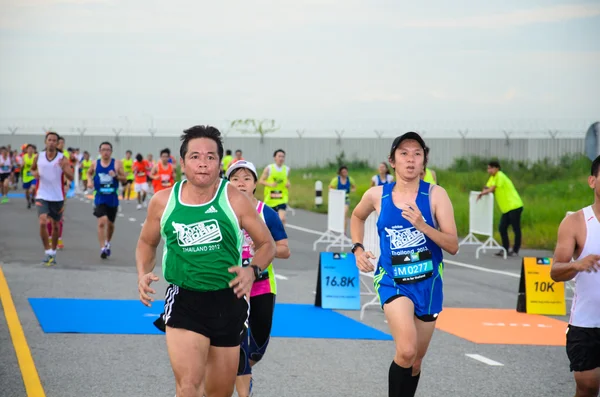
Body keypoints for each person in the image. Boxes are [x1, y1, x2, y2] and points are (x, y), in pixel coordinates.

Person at [136, 125, 276, 397]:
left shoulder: (234, 199)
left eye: (210, 157)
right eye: (195, 156)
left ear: (219, 163)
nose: (202, 163)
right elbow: (146, 242)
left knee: (218, 393)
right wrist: (143, 272)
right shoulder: (163, 201)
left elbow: (267, 244)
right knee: (189, 387)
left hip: (228, 299)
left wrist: (252, 270)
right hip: (185, 299)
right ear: (183, 162)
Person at [350, 132, 458, 397]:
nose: (411, 160)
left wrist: (423, 225)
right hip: (393, 280)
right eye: (404, 154)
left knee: (415, 361)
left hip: (428, 283)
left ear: (424, 162)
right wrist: (358, 248)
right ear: (392, 161)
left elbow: (453, 245)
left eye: (417, 154)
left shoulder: (436, 195)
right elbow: (356, 216)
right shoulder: (377, 195)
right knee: (406, 350)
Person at [226, 160, 291, 397]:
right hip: (232, 286)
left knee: (258, 347)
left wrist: (266, 247)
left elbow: (284, 250)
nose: (240, 183)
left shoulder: (268, 213)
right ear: (228, 183)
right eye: (235, 179)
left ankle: (237, 370)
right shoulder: (223, 213)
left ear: (255, 184)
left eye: (246, 178)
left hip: (262, 285)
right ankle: (243, 385)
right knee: (239, 342)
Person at [551, 155, 600, 397]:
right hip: (586, 323)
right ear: (592, 181)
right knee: (588, 386)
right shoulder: (575, 222)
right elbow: (555, 271)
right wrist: (578, 265)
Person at [31, 132, 74, 266]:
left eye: (54, 140)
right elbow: (32, 169)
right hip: (42, 194)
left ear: (57, 143)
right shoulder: (39, 156)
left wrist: (64, 168)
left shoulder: (62, 158)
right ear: (45, 142)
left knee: (55, 226)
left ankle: (53, 252)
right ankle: (47, 251)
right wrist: (35, 174)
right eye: (49, 140)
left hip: (57, 196)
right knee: (43, 222)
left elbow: (71, 177)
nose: (51, 142)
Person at [87, 142, 127, 259]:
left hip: (112, 198)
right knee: (101, 222)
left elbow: (124, 180)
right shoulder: (95, 163)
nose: (106, 152)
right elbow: (89, 173)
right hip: (100, 196)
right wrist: (89, 181)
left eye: (108, 150)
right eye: (103, 150)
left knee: (110, 224)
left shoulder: (117, 164)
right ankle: (102, 248)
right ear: (99, 151)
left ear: (111, 151)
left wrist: (115, 176)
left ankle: (107, 242)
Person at [477, 160, 524, 257]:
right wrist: (482, 192)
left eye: (491, 168)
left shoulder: (500, 176)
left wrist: (482, 193)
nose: (489, 170)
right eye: (488, 168)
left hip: (514, 205)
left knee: (516, 228)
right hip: (506, 208)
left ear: (497, 168)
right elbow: (487, 187)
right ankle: (505, 249)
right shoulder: (492, 178)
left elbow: (492, 189)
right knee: (502, 228)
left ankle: (515, 250)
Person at [259, 149, 291, 225]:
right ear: (275, 157)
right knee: (270, 221)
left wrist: (288, 184)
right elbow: (261, 181)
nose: (281, 158)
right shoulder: (269, 168)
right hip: (270, 199)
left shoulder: (287, 169)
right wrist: (270, 184)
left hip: (282, 198)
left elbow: (286, 180)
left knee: (282, 219)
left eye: (283, 157)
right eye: (279, 156)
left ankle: (281, 236)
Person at [329, 165, 356, 233]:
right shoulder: (336, 180)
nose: (345, 173)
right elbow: (330, 187)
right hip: (338, 199)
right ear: (340, 172)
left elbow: (354, 187)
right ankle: (334, 227)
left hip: (346, 199)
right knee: (337, 214)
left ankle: (344, 231)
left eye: (346, 172)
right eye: (343, 172)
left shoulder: (349, 179)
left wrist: (352, 190)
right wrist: (336, 192)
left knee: (344, 214)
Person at [21, 144, 37, 208]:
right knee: (27, 192)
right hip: (26, 176)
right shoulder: (24, 157)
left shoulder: (35, 156)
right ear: (26, 150)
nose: (30, 150)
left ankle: (33, 197)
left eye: (32, 149)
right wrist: (22, 165)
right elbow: (21, 167)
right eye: (29, 149)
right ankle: (28, 201)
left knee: (33, 188)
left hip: (33, 175)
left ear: (34, 150)